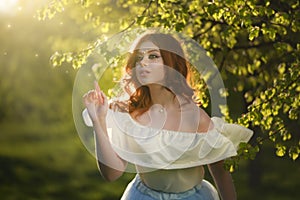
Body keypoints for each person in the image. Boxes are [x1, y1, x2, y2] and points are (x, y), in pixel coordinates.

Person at [82, 32, 253, 200]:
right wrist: (98, 120)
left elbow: (220, 174)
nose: (143, 63)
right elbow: (112, 174)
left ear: (171, 64)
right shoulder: (127, 113)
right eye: (139, 58)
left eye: (153, 56)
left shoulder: (195, 117)